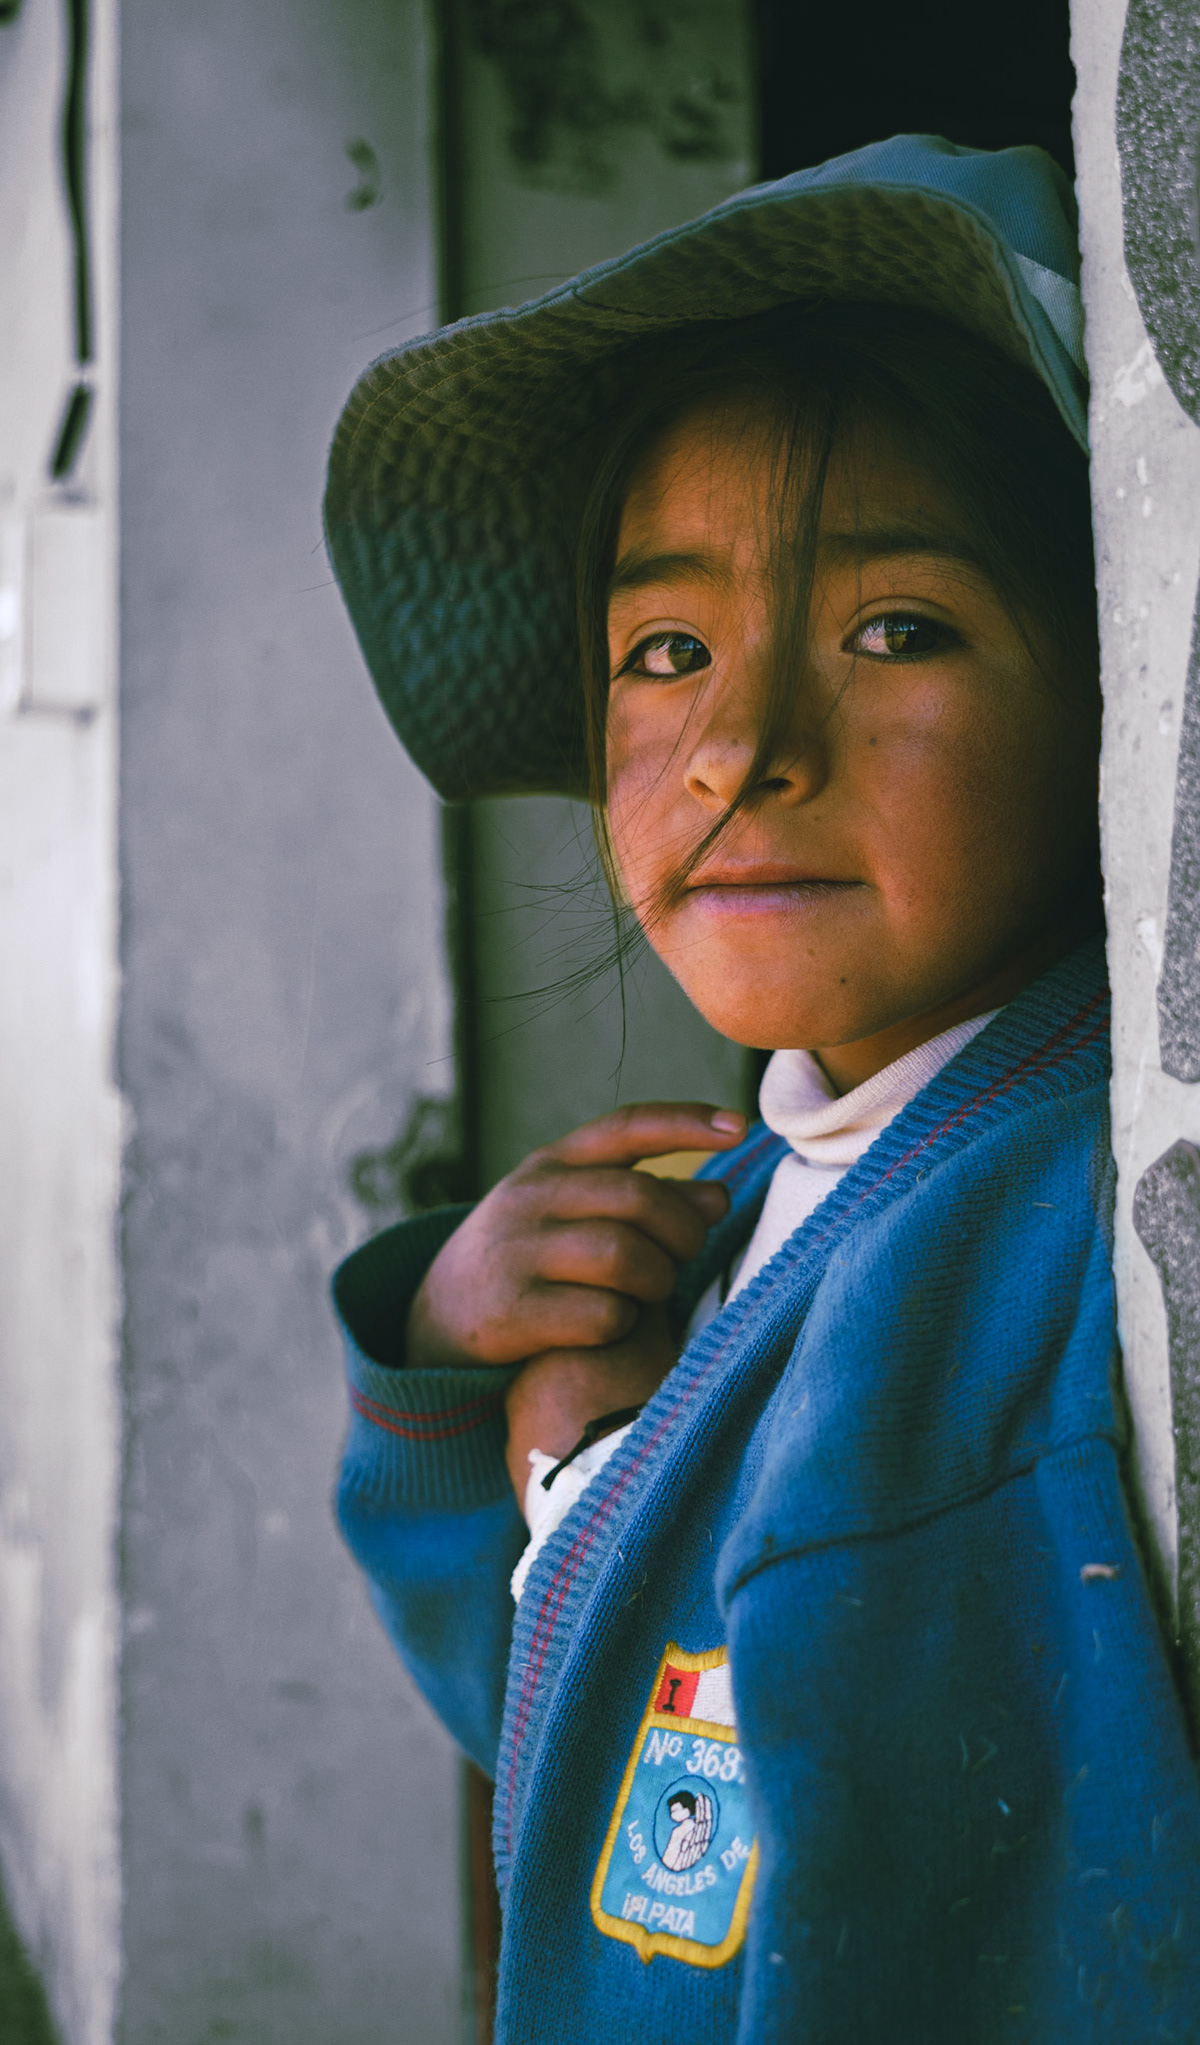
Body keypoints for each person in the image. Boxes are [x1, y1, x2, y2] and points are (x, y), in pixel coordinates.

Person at [324, 137, 1200, 2041]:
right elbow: (609, 1772)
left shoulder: (1012, 1250)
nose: (740, 746)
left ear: (1115, 682)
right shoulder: (747, 1203)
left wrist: (583, 1458)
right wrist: (468, 1396)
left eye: (895, 628)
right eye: (666, 651)